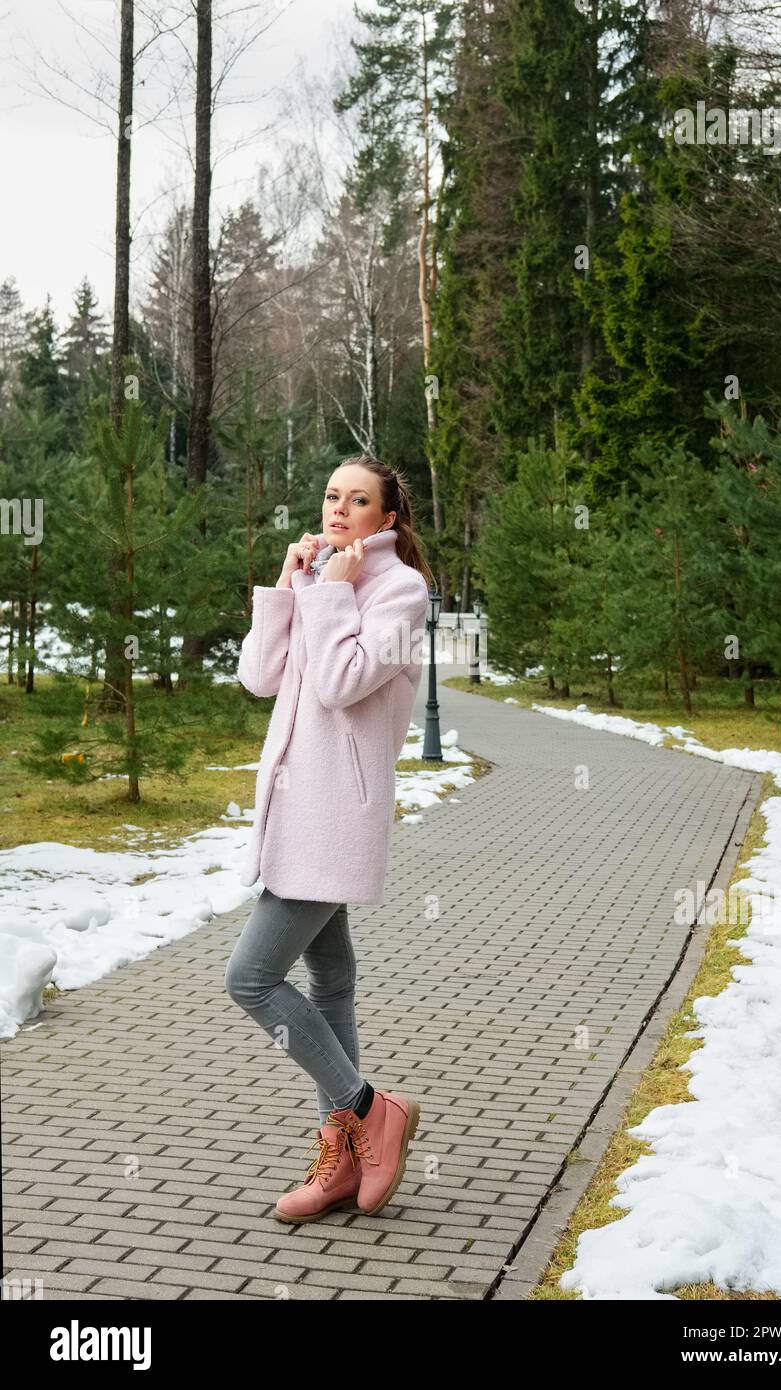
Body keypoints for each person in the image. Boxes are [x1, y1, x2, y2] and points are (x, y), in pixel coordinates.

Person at [225, 454, 434, 1223]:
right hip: (296, 808)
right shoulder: (320, 579)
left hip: (334, 815)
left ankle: (370, 1109)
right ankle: (341, 1159)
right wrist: (290, 586)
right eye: (331, 495)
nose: (339, 508)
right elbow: (260, 676)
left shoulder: (400, 592)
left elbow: (347, 682)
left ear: (387, 519)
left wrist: (336, 591)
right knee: (332, 982)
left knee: (249, 978)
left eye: (358, 500)